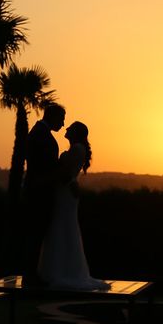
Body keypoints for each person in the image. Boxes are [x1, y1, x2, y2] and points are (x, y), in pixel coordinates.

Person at [37, 121, 110, 291]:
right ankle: (60, 269)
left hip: (66, 193)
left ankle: (63, 271)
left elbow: (66, 174)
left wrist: (48, 179)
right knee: (61, 227)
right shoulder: (76, 148)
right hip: (65, 191)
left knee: (62, 226)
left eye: (70, 127)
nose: (66, 128)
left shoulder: (77, 148)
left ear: (76, 132)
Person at [21, 103, 66, 287]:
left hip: (37, 191)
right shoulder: (42, 136)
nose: (63, 124)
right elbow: (43, 167)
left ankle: (32, 274)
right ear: (53, 117)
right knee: (35, 235)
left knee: (35, 235)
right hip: (39, 194)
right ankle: (30, 277)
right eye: (61, 119)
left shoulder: (38, 132)